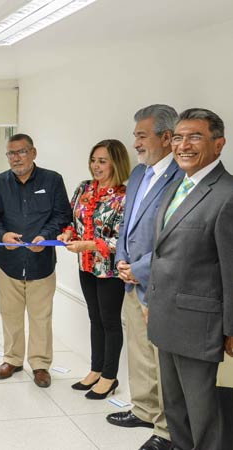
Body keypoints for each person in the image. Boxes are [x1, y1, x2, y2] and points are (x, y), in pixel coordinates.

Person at [147, 108, 233, 450]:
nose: (183, 145)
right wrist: (152, 301)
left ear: (218, 144)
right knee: (175, 411)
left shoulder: (227, 194)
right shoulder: (176, 187)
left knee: (204, 417)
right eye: (178, 138)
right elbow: (164, 252)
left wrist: (231, 329)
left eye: (195, 137)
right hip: (166, 318)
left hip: (201, 326)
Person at [108, 105, 181, 450]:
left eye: (141, 135)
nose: (135, 143)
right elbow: (127, 223)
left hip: (160, 282)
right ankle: (144, 409)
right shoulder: (138, 173)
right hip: (130, 279)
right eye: (135, 135)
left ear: (166, 138)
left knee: (162, 360)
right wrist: (121, 259)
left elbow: (176, 236)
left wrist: (139, 269)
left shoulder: (182, 177)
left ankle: (167, 429)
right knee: (139, 352)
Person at [0, 134, 71, 388]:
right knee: (10, 314)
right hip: (9, 262)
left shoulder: (52, 180)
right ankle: (12, 360)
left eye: (21, 152)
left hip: (41, 262)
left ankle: (40, 364)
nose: (16, 158)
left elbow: (62, 215)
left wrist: (45, 237)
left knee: (40, 317)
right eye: (11, 153)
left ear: (33, 152)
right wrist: (2, 235)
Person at [58, 139, 129, 399]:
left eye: (102, 161)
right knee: (94, 318)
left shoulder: (125, 196)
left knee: (110, 321)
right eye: (93, 160)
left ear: (116, 163)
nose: (95, 166)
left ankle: (110, 376)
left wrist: (88, 244)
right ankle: (95, 370)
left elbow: (124, 240)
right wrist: (68, 233)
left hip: (110, 271)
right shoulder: (84, 188)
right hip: (86, 265)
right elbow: (70, 219)